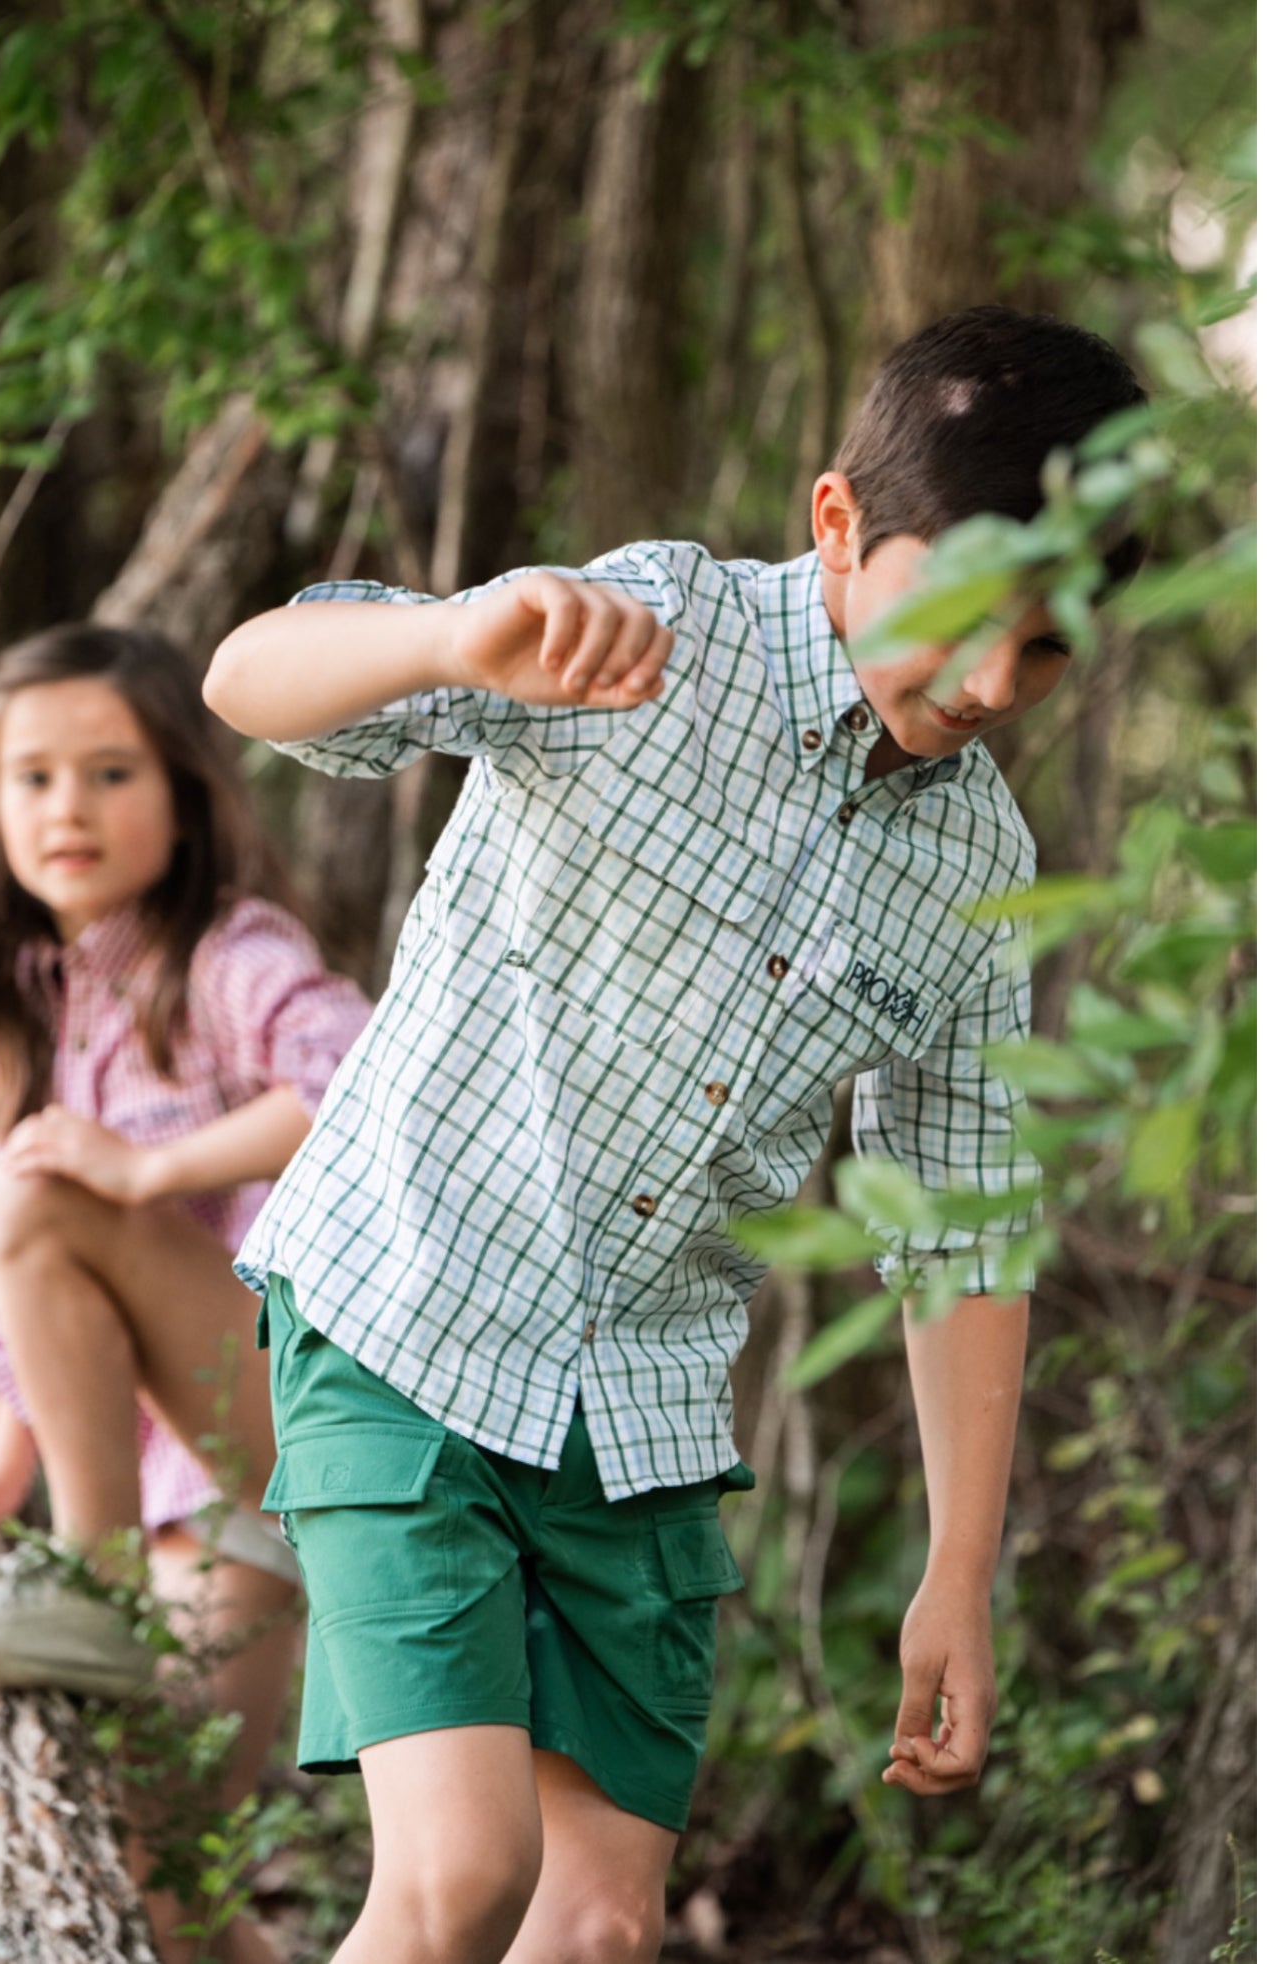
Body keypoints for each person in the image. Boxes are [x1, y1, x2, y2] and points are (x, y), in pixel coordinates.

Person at [202, 305, 1146, 1964]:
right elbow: (250, 679)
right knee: (457, 1878)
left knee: (600, 1931)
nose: (999, 683)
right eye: (974, 617)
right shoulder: (652, 631)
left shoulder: (977, 874)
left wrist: (961, 1569)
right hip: (402, 1317)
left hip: (635, 1418)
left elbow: (961, 1229)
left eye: (1053, 644)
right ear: (840, 525)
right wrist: (450, 636)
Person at [0, 622, 370, 1964]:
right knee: (162, 1864)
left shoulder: (227, 953)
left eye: (109, 773)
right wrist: (4, 1457)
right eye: (30, 778)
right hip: (173, 1492)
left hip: (271, 1408)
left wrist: (150, 1172)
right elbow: (39, 1299)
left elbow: (355, 1094)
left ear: (185, 792)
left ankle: (86, 1581)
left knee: (40, 1189)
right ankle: (95, 1575)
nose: (64, 809)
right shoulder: (12, 1008)